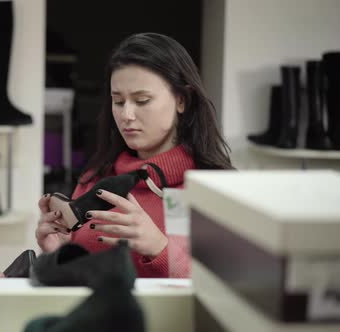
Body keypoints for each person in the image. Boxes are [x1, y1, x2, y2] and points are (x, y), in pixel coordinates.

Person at [35, 33, 233, 278]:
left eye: (142, 100)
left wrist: (159, 248)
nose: (126, 114)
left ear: (182, 99)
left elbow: (230, 292)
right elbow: (78, 279)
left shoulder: (217, 189)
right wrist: (59, 253)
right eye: (118, 101)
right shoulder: (95, 178)